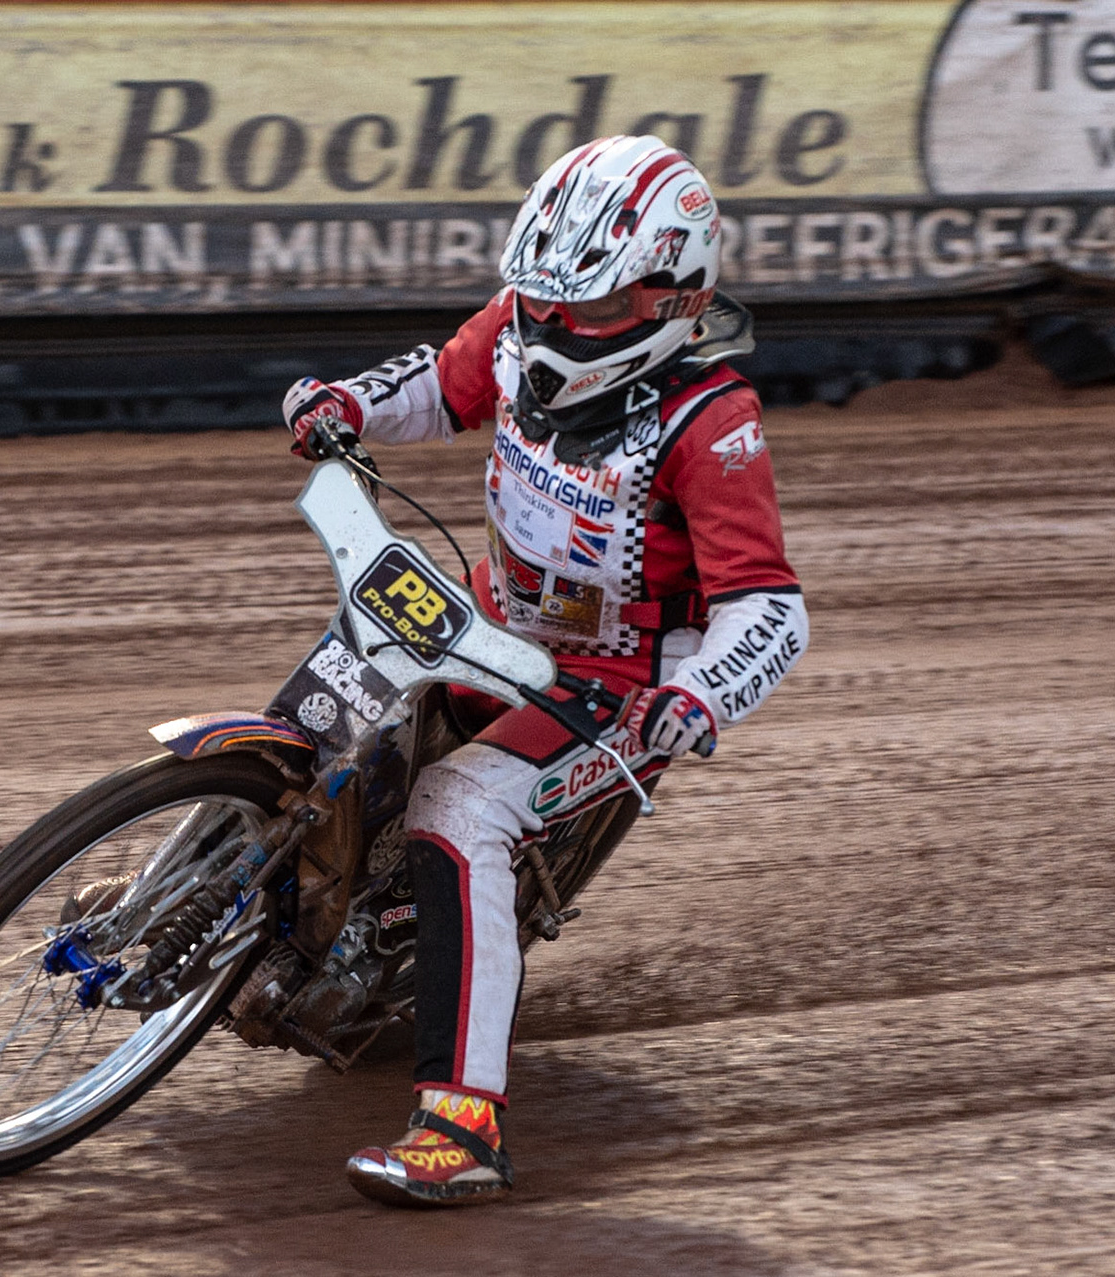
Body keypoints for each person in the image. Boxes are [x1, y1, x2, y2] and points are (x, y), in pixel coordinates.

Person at [281, 135, 809, 1207]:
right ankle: (216, 893)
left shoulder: (713, 421)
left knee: (454, 806)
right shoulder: (529, 323)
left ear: (673, 297)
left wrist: (698, 696)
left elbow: (769, 602)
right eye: (548, 302)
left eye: (597, 312)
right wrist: (348, 404)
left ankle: (462, 1123)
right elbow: (440, 383)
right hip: (489, 619)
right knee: (325, 706)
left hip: (617, 686)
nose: (560, 328)